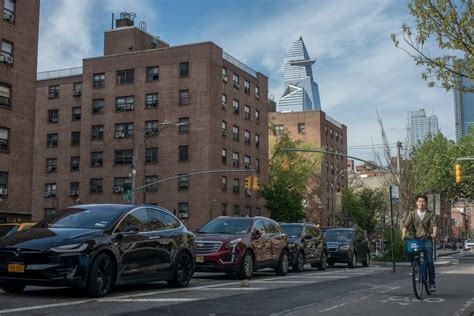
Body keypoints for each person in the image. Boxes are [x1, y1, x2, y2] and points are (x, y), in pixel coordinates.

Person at [401, 194, 438, 292]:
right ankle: (413, 266)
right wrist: (403, 234)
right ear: (416, 203)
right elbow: (405, 226)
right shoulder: (412, 214)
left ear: (426, 203)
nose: (421, 203)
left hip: (427, 239)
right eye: (420, 201)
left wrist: (434, 234)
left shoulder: (430, 214)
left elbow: (434, 226)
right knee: (410, 251)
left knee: (429, 261)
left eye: (423, 201)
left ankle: (432, 283)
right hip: (416, 240)